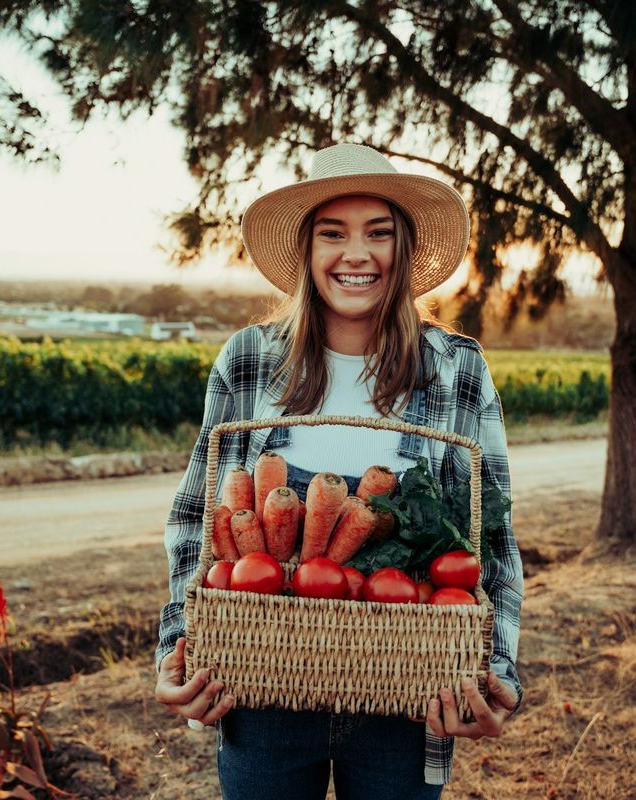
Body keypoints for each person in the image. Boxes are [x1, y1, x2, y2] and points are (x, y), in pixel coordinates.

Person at [154, 143, 524, 799]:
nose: (357, 254)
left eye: (378, 233)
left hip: (408, 695)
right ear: (306, 251)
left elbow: (489, 536)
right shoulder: (249, 360)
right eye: (334, 234)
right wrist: (178, 651)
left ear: (403, 249)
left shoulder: (457, 367)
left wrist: (497, 673)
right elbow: (194, 519)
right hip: (259, 684)